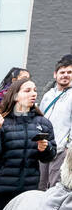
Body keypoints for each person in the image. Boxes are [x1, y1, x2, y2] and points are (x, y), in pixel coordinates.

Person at [0, 77, 56, 210]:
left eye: (35, 90)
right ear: (15, 96)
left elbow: (50, 156)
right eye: (27, 90)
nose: (33, 94)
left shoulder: (42, 123)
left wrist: (46, 148)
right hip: (0, 190)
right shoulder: (0, 121)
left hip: (27, 192)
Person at [38, 56, 72, 189]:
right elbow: (40, 119)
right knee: (40, 186)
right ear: (55, 74)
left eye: (69, 72)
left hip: (61, 150)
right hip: (44, 148)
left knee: (56, 187)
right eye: (62, 72)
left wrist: (67, 147)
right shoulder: (48, 95)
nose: (65, 75)